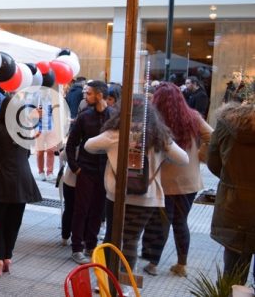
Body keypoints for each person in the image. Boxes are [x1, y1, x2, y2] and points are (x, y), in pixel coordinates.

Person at [85, 96, 188, 271]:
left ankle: (105, 281)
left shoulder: (115, 134)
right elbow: (183, 159)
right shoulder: (159, 137)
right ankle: (124, 283)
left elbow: (89, 145)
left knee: (112, 237)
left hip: (117, 196)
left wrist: (110, 151)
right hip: (146, 198)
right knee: (132, 239)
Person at [140, 82, 213, 277]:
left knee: (159, 223)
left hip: (163, 181)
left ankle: (152, 263)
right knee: (181, 222)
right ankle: (182, 264)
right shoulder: (193, 117)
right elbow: (213, 137)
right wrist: (200, 154)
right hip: (189, 181)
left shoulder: (154, 120)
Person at [0, 95, 42, 277]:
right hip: (23, 183)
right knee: (14, 223)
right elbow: (26, 154)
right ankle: (8, 258)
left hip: (1, 182)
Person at [66, 80, 115, 265]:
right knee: (81, 209)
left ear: (100, 95)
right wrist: (75, 167)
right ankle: (77, 247)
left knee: (98, 209)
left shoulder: (114, 117)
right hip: (85, 169)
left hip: (105, 170)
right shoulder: (84, 117)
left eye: (89, 93)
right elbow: (71, 144)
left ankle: (91, 245)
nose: (85, 96)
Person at [207, 101, 255, 285]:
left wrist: (232, 180)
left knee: (233, 275)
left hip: (233, 206)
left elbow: (213, 163)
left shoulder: (227, 123)